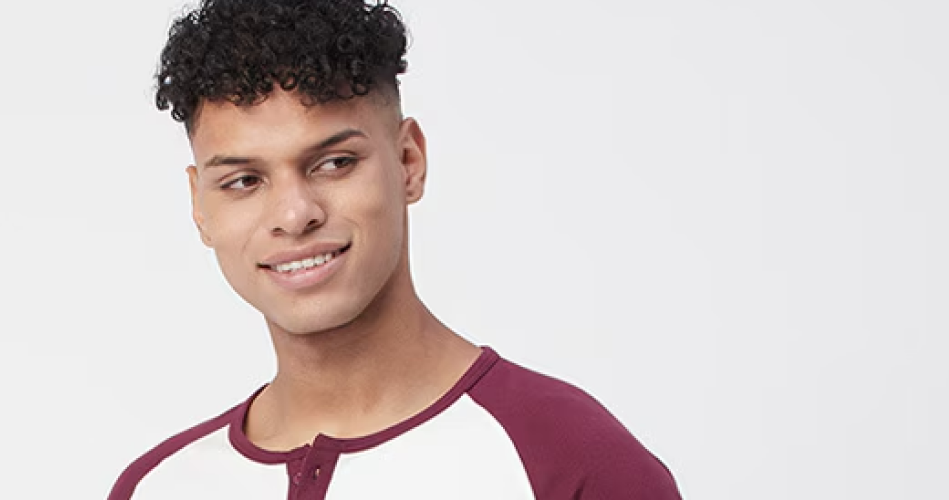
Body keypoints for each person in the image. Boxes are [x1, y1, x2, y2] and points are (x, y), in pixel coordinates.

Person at [109, 1, 681, 498]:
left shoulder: (565, 460)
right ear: (200, 205)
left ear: (408, 161)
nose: (294, 214)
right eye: (243, 181)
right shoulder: (158, 487)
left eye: (334, 163)